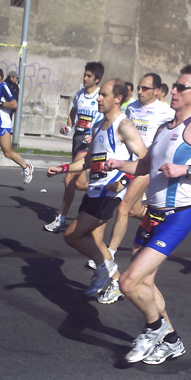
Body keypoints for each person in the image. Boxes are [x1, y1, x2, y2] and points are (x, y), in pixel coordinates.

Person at [104, 65, 191, 364]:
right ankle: (171, 340)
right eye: (173, 86)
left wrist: (186, 169)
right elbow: (145, 167)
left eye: (181, 87)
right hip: (153, 215)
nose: (173, 91)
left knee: (128, 282)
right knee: (145, 283)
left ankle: (154, 329)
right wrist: (119, 164)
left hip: (177, 216)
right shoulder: (164, 127)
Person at [47, 79, 146, 297]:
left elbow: (145, 159)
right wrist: (63, 168)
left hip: (109, 193)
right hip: (94, 189)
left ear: (118, 99)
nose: (99, 99)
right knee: (95, 241)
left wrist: (122, 182)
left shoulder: (124, 125)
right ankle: (116, 283)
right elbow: (88, 161)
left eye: (104, 95)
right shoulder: (98, 125)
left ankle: (103, 269)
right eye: (99, 94)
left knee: (71, 235)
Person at [102, 73, 175, 298]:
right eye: (139, 88)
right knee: (133, 210)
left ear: (156, 91)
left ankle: (110, 255)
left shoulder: (167, 112)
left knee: (123, 207)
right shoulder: (131, 108)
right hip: (131, 163)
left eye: (145, 88)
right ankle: (159, 217)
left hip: (149, 165)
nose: (140, 91)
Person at [44, 62, 104, 232]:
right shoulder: (79, 95)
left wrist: (94, 134)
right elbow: (73, 113)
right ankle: (107, 188)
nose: (85, 78)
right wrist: (69, 127)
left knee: (69, 178)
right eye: (84, 75)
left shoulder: (100, 97)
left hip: (90, 143)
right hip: (78, 139)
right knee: (79, 184)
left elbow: (107, 119)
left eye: (89, 76)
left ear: (97, 79)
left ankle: (61, 220)